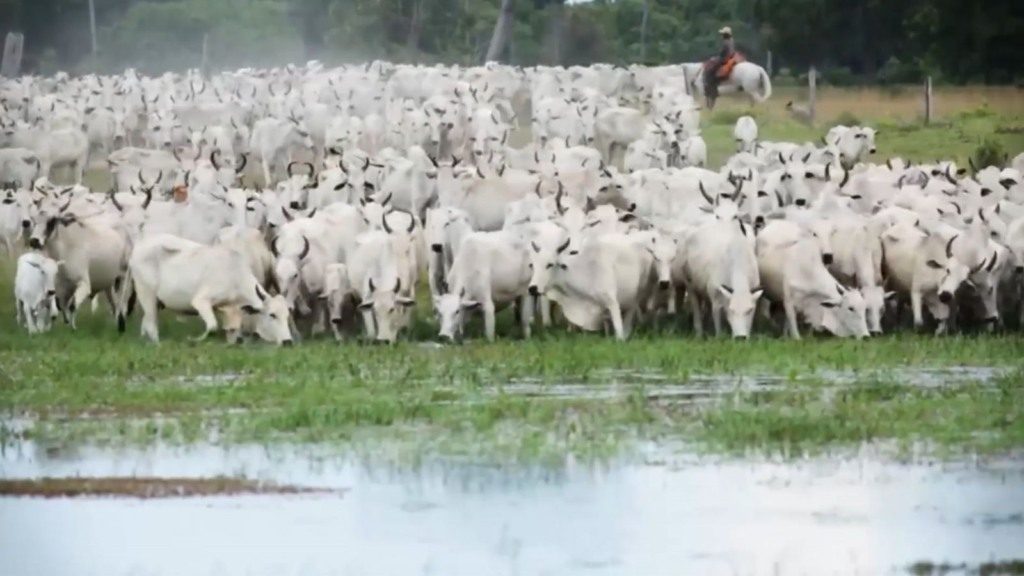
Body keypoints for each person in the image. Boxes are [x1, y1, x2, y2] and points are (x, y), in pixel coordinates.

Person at [705, 26, 737, 100]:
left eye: (722, 34)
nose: (721, 35)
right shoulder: (731, 40)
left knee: (710, 71)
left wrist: (715, 58)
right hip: (731, 58)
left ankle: (713, 90)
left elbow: (722, 53)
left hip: (725, 59)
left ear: (725, 35)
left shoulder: (725, 42)